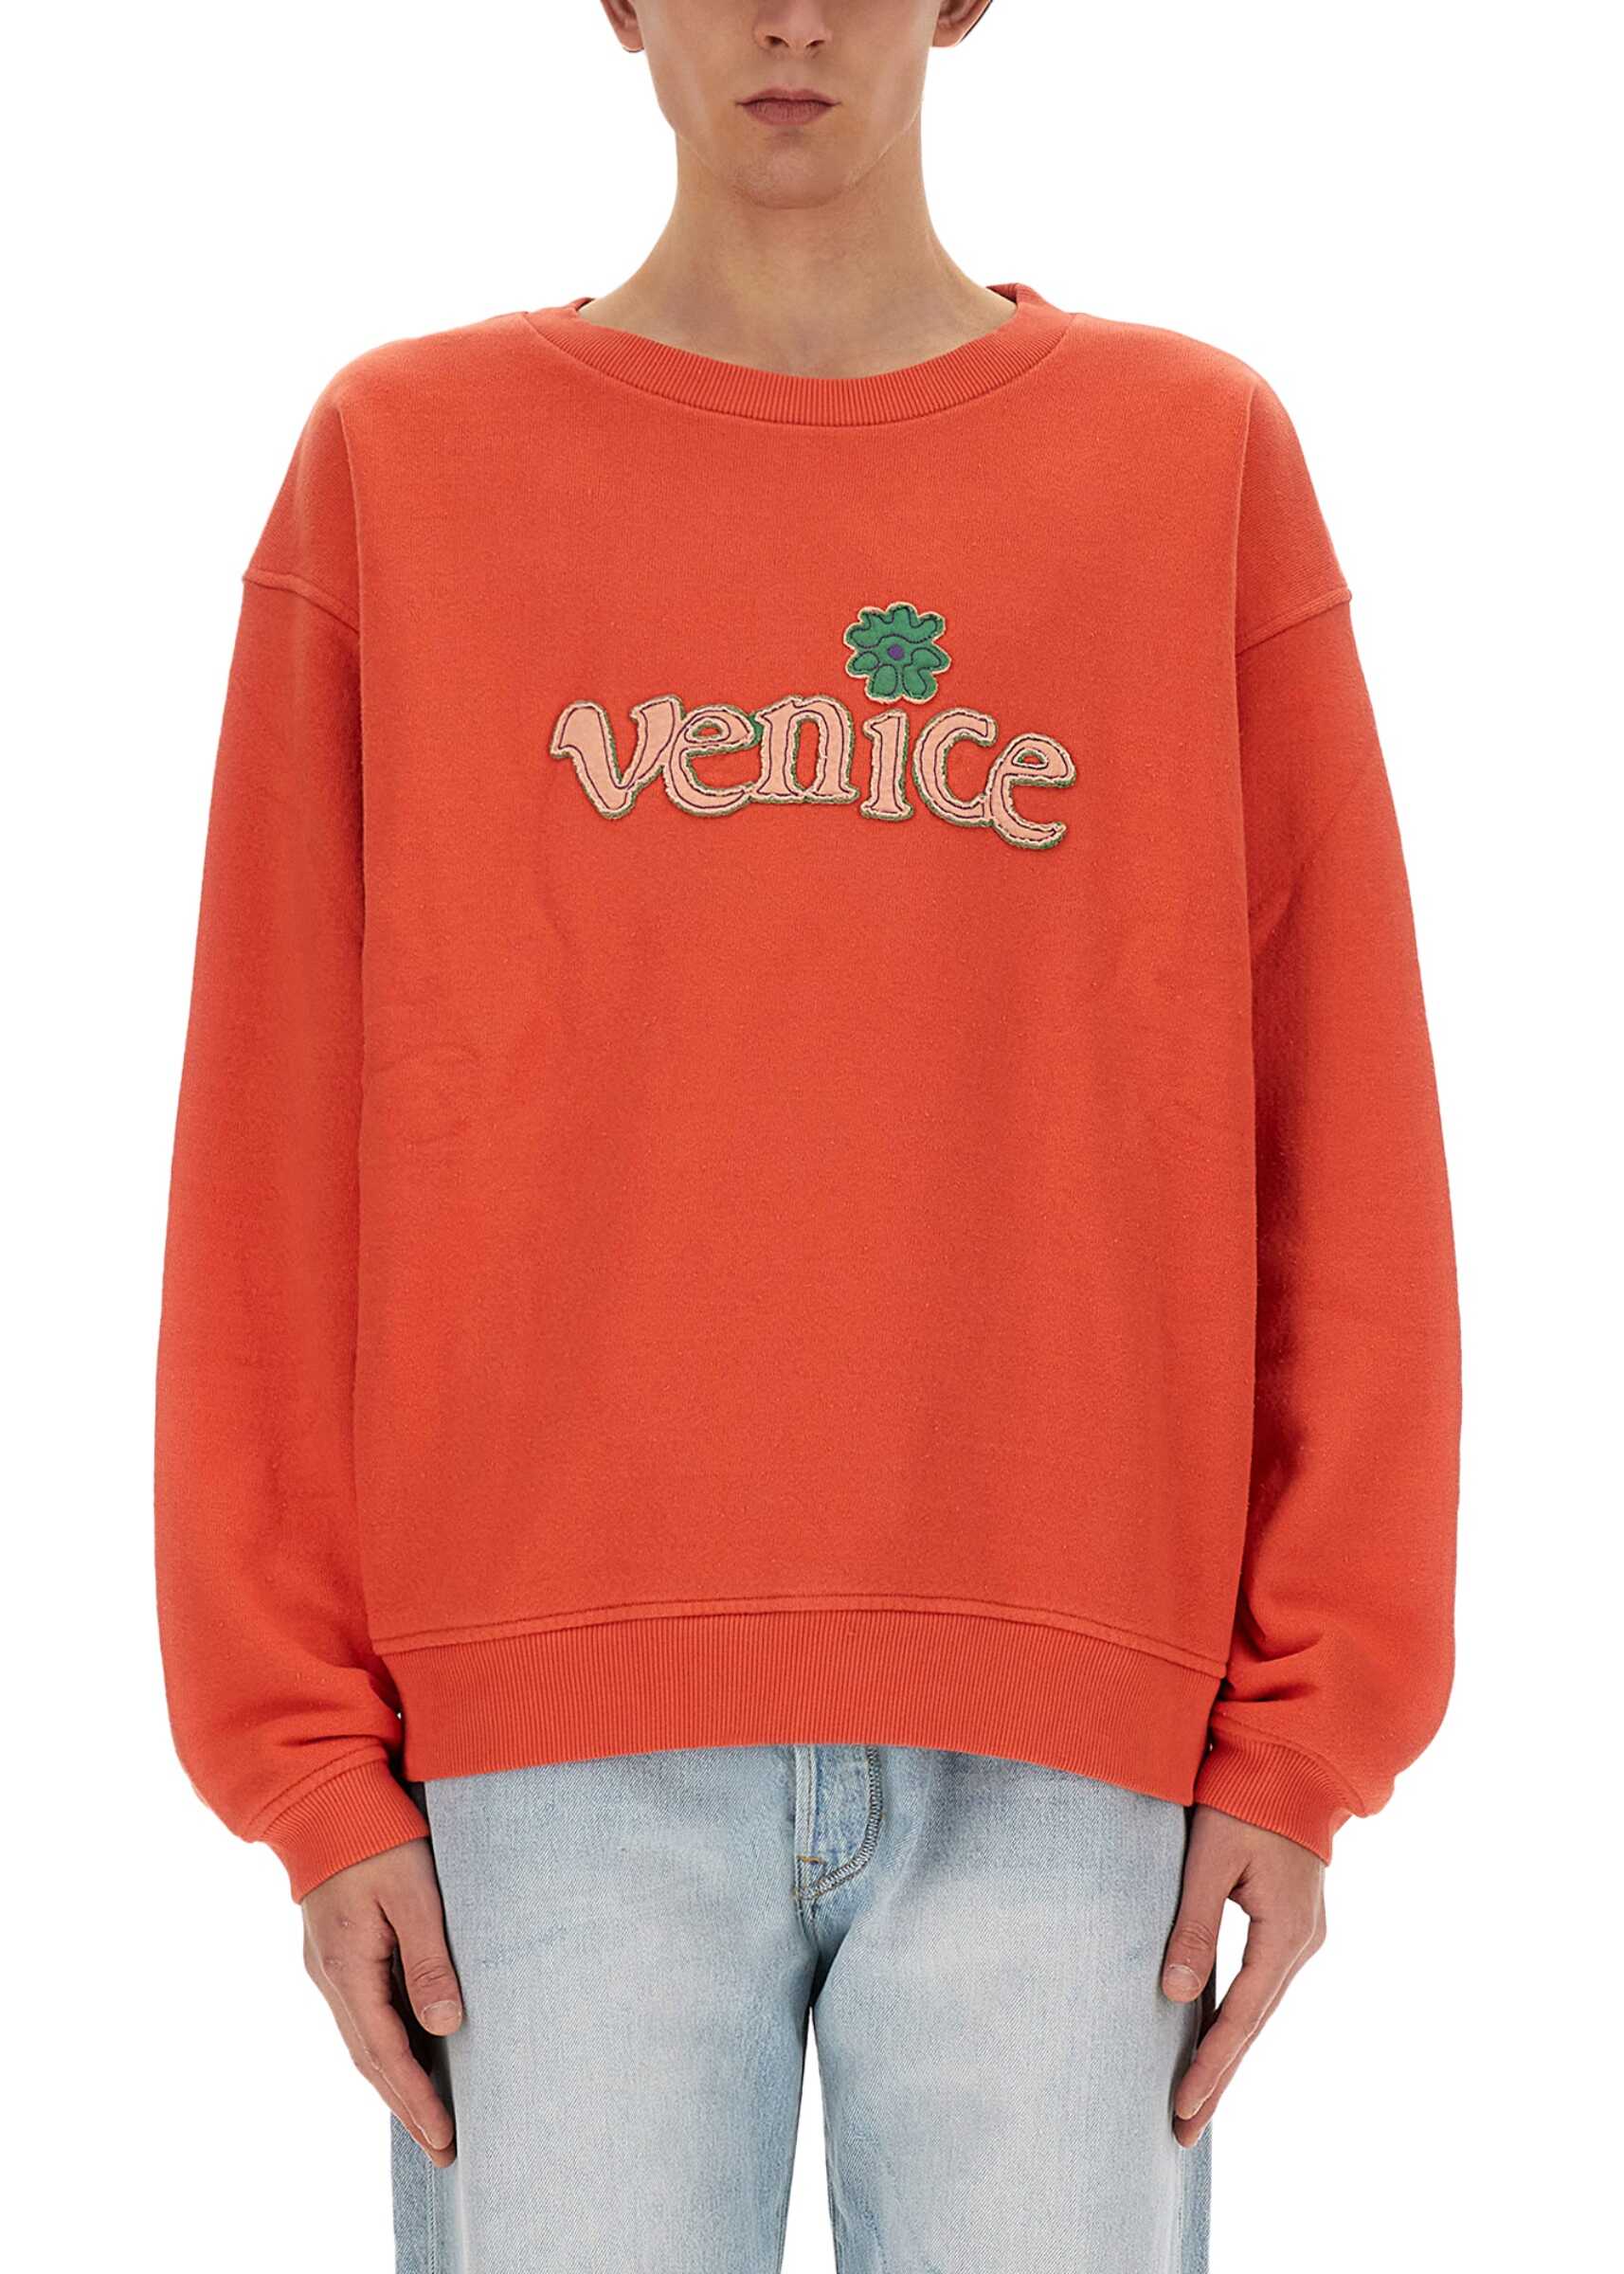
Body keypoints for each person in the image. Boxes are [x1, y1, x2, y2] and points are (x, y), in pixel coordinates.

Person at [153, 2, 1461, 2267]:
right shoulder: (406, 465)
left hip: (1076, 1733)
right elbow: (268, 1147)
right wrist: (307, 1761)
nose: (788, 14)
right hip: (536, 1745)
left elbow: (1334, 1114)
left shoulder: (1185, 462)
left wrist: (1304, 1731)